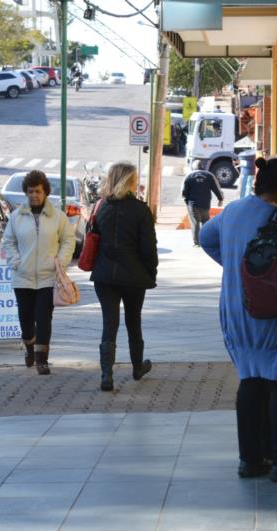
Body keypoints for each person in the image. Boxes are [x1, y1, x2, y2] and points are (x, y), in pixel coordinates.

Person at [199, 153, 277, 482]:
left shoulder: (234, 211)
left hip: (236, 311)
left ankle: (251, 459)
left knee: (251, 379)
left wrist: (242, 269)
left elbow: (205, 239)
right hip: (276, 312)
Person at [90, 162, 158, 391]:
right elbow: (149, 247)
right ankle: (137, 367)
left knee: (109, 323)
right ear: (129, 181)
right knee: (133, 320)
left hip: (104, 275)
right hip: (133, 275)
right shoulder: (140, 210)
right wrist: (151, 271)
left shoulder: (100, 207)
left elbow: (94, 239)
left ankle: (106, 374)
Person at [3, 170, 76, 375]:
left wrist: (60, 262)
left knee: (43, 318)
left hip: (47, 277)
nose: (34, 195)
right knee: (26, 320)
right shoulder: (17, 216)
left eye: (37, 191)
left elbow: (68, 240)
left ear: (45, 192)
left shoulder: (58, 217)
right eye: (30, 191)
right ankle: (29, 346)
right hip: (22, 278)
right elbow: (8, 241)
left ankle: (42, 359)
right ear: (26, 193)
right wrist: (15, 261)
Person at [182, 160, 223, 246]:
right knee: (205, 222)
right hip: (205, 203)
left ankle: (197, 243)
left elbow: (183, 192)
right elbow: (216, 188)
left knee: (195, 223)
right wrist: (220, 199)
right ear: (203, 167)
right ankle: (205, 241)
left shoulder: (189, 176)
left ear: (193, 167)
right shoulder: (209, 175)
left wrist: (186, 201)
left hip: (192, 204)